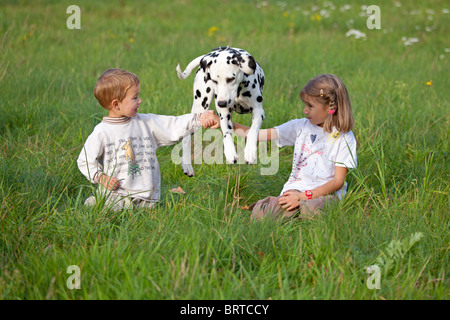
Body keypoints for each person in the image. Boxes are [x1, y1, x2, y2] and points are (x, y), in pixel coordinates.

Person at [202, 73, 357, 220]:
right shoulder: (299, 126)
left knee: (310, 210)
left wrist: (304, 197)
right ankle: (272, 206)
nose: (305, 110)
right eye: (305, 105)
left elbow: (338, 182)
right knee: (266, 216)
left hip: (326, 195)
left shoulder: (344, 138)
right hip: (295, 189)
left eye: (310, 106)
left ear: (331, 108)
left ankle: (302, 213)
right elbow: (258, 135)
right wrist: (224, 124)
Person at [77, 68, 213, 211]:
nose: (140, 100)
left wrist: (199, 119)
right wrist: (100, 177)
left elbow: (173, 125)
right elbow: (84, 159)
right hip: (116, 193)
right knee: (115, 208)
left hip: (147, 195)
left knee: (145, 211)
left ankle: (112, 203)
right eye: (135, 98)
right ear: (116, 104)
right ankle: (98, 201)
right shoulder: (102, 131)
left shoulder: (145, 123)